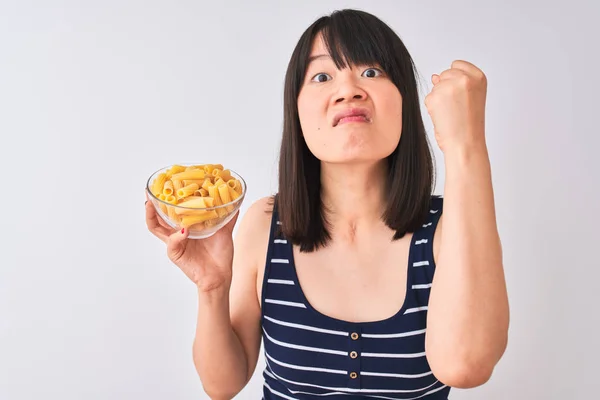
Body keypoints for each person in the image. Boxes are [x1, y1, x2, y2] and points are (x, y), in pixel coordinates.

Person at [145, 8, 509, 400]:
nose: (349, 89)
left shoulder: (449, 229)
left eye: (371, 72)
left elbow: (466, 365)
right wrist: (212, 288)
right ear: (296, 110)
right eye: (322, 76)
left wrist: (465, 144)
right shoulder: (265, 224)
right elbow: (223, 385)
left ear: (406, 101)